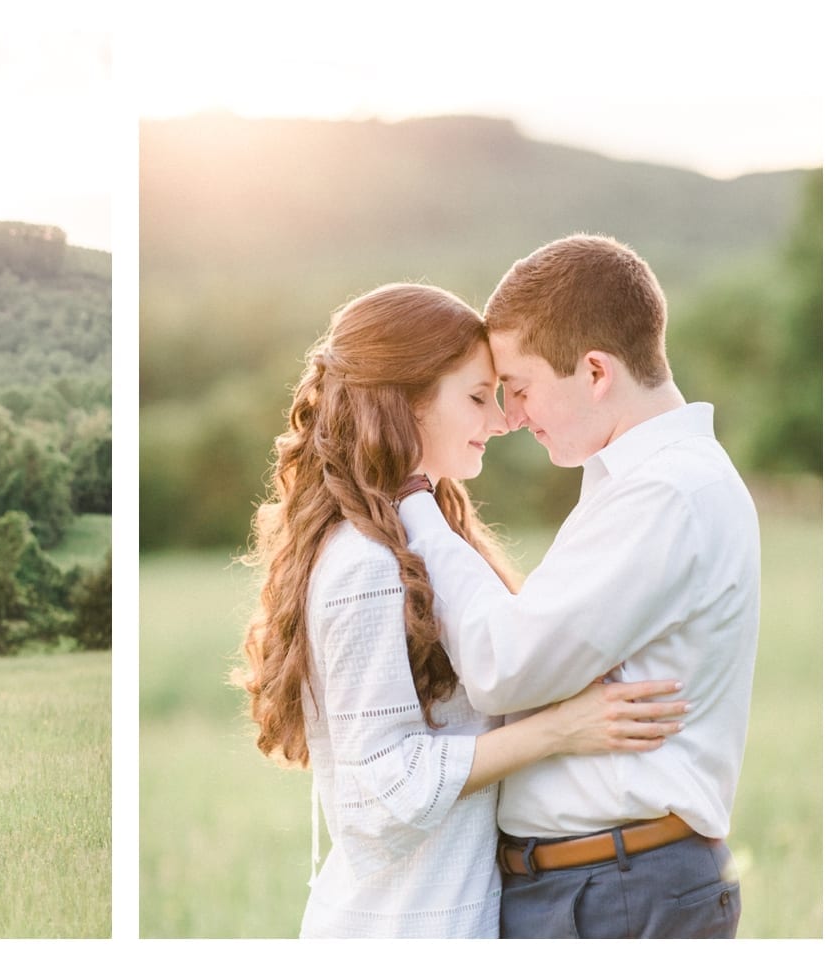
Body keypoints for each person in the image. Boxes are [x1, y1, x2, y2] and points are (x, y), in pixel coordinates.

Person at [234, 282, 688, 939]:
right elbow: (376, 794)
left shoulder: (418, 539)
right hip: (400, 929)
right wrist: (562, 729)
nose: (502, 420)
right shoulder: (365, 565)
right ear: (406, 403)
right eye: (478, 397)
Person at [397, 234, 759, 938]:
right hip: (606, 882)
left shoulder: (665, 494)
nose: (511, 417)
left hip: (618, 890)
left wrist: (417, 504)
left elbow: (506, 666)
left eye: (522, 388)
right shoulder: (646, 485)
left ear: (594, 371)